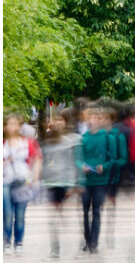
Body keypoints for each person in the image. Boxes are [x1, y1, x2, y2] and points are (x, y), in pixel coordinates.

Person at [77, 107, 118, 254]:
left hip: (100, 180)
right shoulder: (83, 139)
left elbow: (113, 159)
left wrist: (104, 166)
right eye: (91, 118)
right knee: (85, 212)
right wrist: (81, 166)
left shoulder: (108, 138)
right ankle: (87, 240)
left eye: (97, 118)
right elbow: (77, 158)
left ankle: (94, 242)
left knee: (96, 211)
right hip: (86, 180)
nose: (94, 121)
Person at [42, 109, 81, 258]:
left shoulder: (70, 141)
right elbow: (45, 162)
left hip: (65, 182)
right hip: (52, 182)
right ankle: (55, 248)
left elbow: (72, 163)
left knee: (65, 216)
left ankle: (77, 245)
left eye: (61, 120)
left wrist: (72, 184)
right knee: (53, 217)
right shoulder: (49, 141)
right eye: (56, 120)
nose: (58, 123)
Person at [3, 113, 43, 256]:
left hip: (22, 181)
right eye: (9, 124)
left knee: (20, 214)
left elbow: (37, 158)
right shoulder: (3, 143)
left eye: (14, 124)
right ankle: (6, 242)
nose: (11, 127)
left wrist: (35, 177)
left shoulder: (27, 142)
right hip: (6, 181)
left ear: (20, 126)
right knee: (7, 214)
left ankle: (18, 242)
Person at [100, 105, 128, 249]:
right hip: (97, 177)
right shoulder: (95, 135)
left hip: (112, 176)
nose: (102, 121)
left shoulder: (118, 137)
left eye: (105, 118)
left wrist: (111, 163)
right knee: (97, 207)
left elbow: (124, 158)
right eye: (101, 118)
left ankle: (109, 234)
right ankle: (94, 237)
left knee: (110, 206)